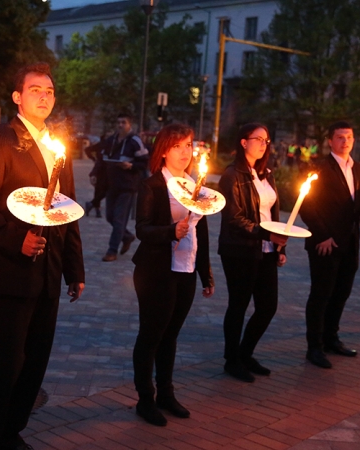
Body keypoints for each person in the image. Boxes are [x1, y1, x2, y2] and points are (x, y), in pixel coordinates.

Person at [0, 62, 85, 450]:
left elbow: (67, 210)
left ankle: (11, 432)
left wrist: (74, 269)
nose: (44, 96)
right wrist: (18, 240)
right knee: (4, 364)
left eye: (49, 91)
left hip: (48, 274)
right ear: (17, 96)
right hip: (11, 271)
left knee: (34, 363)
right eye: (35, 90)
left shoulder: (56, 147)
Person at [131, 124, 214, 426]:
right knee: (152, 335)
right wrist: (170, 231)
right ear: (164, 150)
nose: (185, 152)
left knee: (171, 334)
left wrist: (205, 273)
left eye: (189, 145)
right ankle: (145, 398)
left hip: (186, 270)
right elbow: (142, 228)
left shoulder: (196, 186)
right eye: (177, 145)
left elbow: (200, 232)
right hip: (156, 270)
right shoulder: (152, 185)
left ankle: (166, 394)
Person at [300, 121, 360, 369]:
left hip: (350, 242)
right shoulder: (319, 167)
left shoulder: (357, 169)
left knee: (341, 294)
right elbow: (308, 206)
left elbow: (358, 206)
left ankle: (331, 339)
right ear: (330, 141)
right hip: (324, 243)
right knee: (321, 294)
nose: (345, 141)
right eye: (340, 137)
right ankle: (314, 347)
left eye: (349, 137)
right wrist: (322, 235)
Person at [218, 123, 288, 383]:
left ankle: (245, 353)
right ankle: (231, 360)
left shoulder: (266, 174)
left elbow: (272, 213)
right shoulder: (232, 175)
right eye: (258, 139)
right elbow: (235, 218)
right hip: (239, 249)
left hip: (266, 249)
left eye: (266, 140)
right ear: (243, 142)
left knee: (268, 306)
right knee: (238, 305)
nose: (263, 143)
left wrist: (279, 246)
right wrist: (266, 235)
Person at [100, 113, 149, 261]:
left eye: (124, 122)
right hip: (112, 184)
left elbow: (144, 162)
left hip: (128, 186)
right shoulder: (111, 140)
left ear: (130, 125)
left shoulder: (135, 141)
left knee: (119, 219)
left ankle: (112, 251)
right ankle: (127, 236)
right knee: (110, 216)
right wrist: (94, 174)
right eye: (119, 122)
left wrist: (131, 165)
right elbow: (102, 159)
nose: (120, 125)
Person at [83, 136, 108, 218]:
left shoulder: (110, 144)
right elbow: (87, 150)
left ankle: (92, 205)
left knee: (102, 190)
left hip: (103, 169)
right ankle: (96, 209)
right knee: (100, 190)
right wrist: (94, 159)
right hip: (101, 170)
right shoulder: (103, 144)